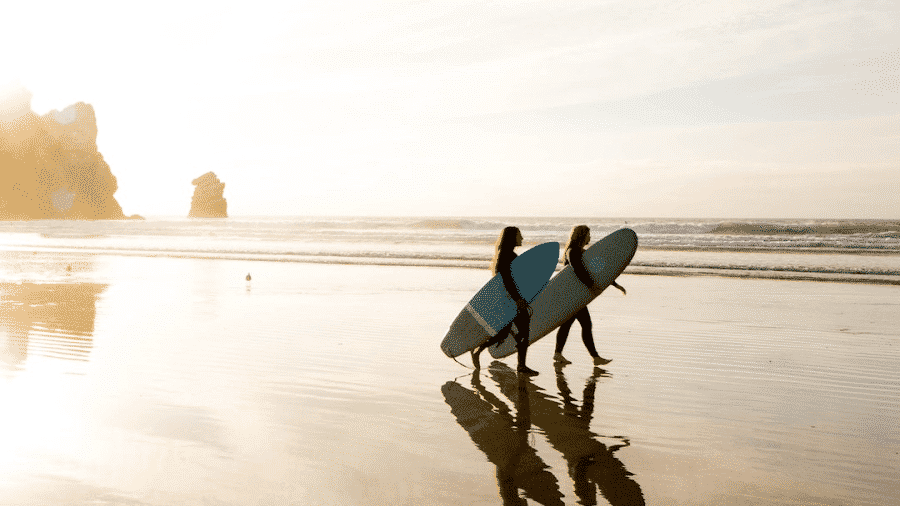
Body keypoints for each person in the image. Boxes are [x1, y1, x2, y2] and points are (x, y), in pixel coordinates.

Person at [471, 226, 539, 376]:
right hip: (511, 301)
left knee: (504, 333)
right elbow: (506, 280)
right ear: (512, 237)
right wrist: (518, 299)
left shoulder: (507, 254)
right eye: (519, 236)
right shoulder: (506, 255)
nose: (522, 239)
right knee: (523, 331)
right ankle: (521, 366)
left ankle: (478, 349)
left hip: (510, 299)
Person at [554, 225, 626, 366]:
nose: (590, 237)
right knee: (584, 324)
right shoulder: (573, 251)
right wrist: (591, 286)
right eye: (588, 234)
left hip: (578, 294)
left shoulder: (581, 252)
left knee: (570, 324)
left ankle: (559, 354)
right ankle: (594, 357)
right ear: (581, 235)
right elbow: (578, 271)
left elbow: (598, 271)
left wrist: (615, 284)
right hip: (572, 295)